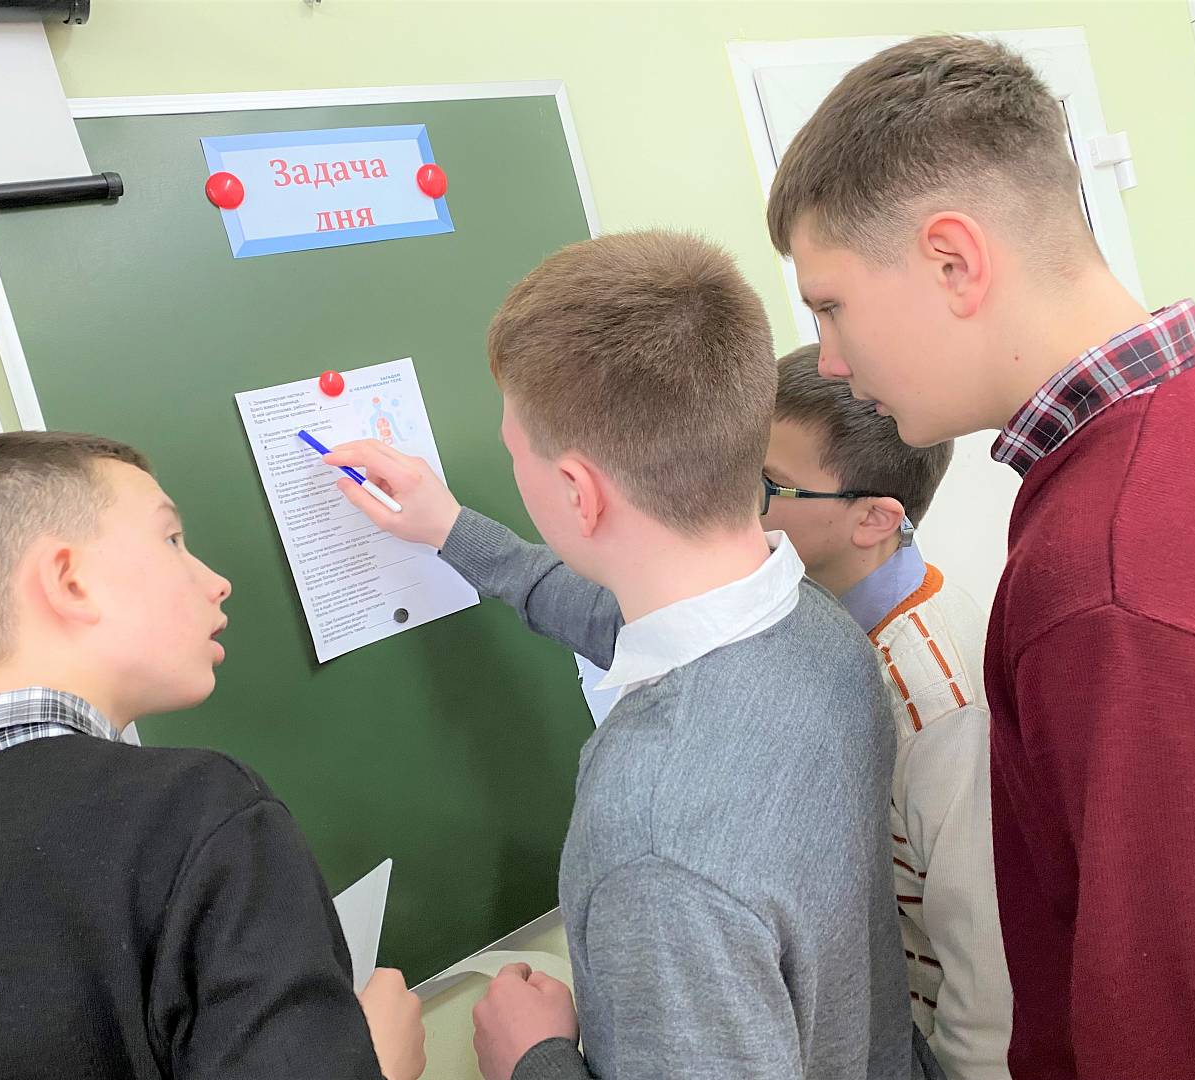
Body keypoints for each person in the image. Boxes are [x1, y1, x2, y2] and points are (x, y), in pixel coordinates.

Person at [766, 32, 1195, 1079]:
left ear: (953, 262)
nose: (830, 359)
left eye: (831, 306)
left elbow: (1183, 1047)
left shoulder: (1111, 580)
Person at [329, 229, 927, 1080]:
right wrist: (451, 529)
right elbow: (610, 616)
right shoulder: (818, 631)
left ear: (578, 492)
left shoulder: (652, 839)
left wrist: (533, 1058)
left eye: (515, 453)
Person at [0, 431, 425, 1080]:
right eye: (172, 539)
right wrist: (376, 1067)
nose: (217, 582)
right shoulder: (200, 811)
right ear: (70, 581)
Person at [763, 352, 1011, 1079]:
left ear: (873, 520)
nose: (732, 500)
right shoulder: (824, 618)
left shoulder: (937, 702)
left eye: (766, 484)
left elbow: (988, 974)